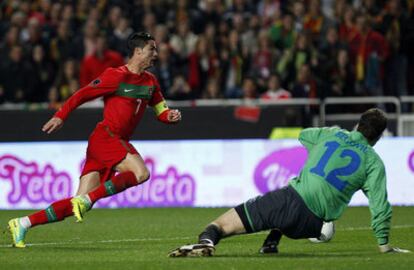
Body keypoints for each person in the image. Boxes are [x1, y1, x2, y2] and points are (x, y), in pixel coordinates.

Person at [7, 32, 182, 248]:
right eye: (152, 49)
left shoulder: (151, 82)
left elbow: (161, 111)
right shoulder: (115, 76)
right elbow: (82, 94)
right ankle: (88, 199)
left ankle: (22, 223)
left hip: (111, 142)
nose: (156, 54)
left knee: (76, 204)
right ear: (138, 51)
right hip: (107, 137)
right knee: (141, 173)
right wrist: (61, 115)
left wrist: (171, 116)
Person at [168, 108, 410, 257]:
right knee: (306, 218)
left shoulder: (332, 133)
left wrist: (330, 136)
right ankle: (271, 244)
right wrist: (384, 245)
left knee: (217, 226)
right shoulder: (374, 162)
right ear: (377, 138)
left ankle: (205, 243)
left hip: (288, 201)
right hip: (312, 225)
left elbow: (304, 135)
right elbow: (380, 207)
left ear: (357, 124)